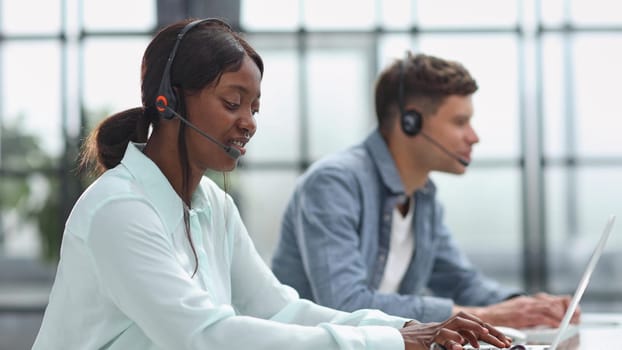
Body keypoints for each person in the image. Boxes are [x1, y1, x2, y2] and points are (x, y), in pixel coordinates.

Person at [32, 19, 512, 350]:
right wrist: (391, 341)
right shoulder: (119, 210)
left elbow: (278, 310)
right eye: (232, 101)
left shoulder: (212, 206)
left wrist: (405, 327)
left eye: (254, 108)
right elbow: (204, 337)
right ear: (170, 100)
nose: (248, 122)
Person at [271, 52, 579, 329]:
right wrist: (482, 316)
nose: (474, 137)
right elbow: (343, 304)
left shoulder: (422, 196)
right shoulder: (334, 183)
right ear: (411, 123)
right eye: (461, 122)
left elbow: (461, 282)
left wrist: (530, 307)